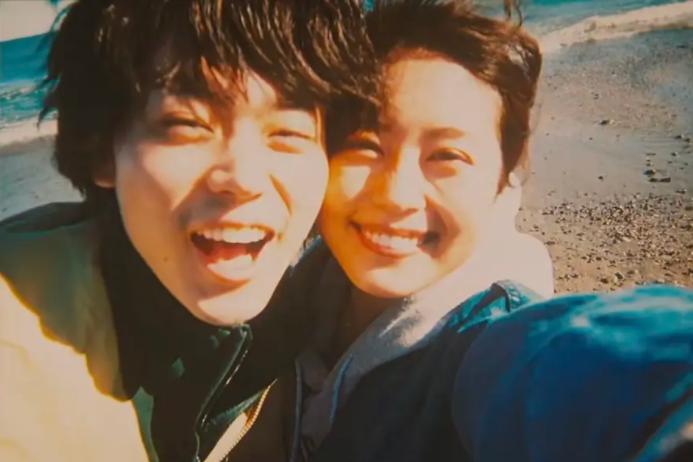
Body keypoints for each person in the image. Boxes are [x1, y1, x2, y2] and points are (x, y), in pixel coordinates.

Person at [278, 1, 693, 461]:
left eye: (447, 156)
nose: (396, 195)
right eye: (364, 145)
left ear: (503, 177)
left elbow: (582, 369)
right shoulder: (289, 290)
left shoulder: (483, 340)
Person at [0, 0, 376, 461]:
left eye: (288, 133)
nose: (243, 178)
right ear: (102, 151)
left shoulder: (304, 315)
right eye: (187, 125)